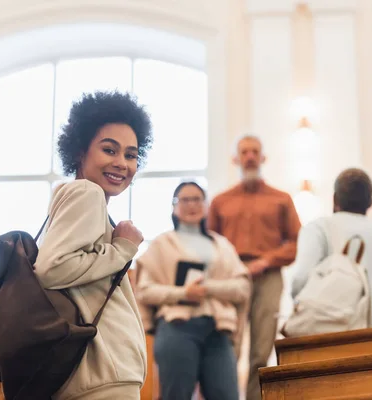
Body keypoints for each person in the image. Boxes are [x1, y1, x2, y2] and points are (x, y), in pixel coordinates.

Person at [34, 91, 153, 400]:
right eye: (109, 150)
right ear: (79, 151)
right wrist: (123, 248)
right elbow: (52, 268)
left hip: (93, 374)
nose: (121, 163)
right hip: (101, 374)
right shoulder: (87, 193)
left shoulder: (77, 196)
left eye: (130, 154)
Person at [135, 181, 251, 400]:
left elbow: (242, 287)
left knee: (227, 395)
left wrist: (207, 289)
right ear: (174, 207)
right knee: (176, 395)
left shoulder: (222, 244)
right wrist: (183, 294)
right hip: (177, 326)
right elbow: (145, 291)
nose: (191, 205)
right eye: (184, 200)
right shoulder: (162, 244)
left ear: (205, 205)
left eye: (197, 199)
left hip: (218, 329)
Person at [207, 134, 301, 400]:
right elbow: (209, 243)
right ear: (236, 158)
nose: (249, 156)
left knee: (261, 350)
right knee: (228, 346)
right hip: (231, 279)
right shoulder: (220, 201)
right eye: (244, 152)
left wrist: (265, 261)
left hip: (269, 276)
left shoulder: (281, 199)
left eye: (254, 152)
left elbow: (296, 242)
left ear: (263, 158)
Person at [291, 168, 372, 327]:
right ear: (371, 203)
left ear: (334, 199)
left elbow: (300, 282)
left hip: (331, 339)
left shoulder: (319, 229)